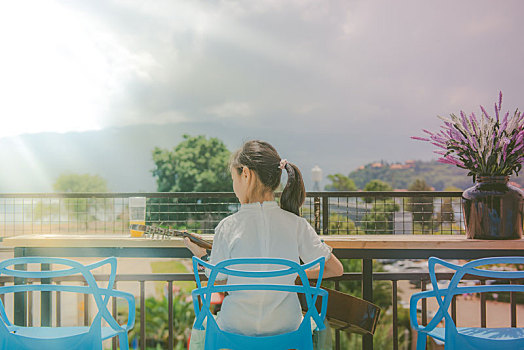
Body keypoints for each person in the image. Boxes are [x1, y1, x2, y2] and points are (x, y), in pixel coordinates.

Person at [185, 140, 344, 349]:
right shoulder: (297, 224)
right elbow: (335, 268)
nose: (234, 187)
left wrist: (203, 257)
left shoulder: (227, 227)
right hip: (287, 327)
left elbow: (218, 280)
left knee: (204, 326)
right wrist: (287, 274)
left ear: (246, 174)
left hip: (235, 328)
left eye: (234, 178)